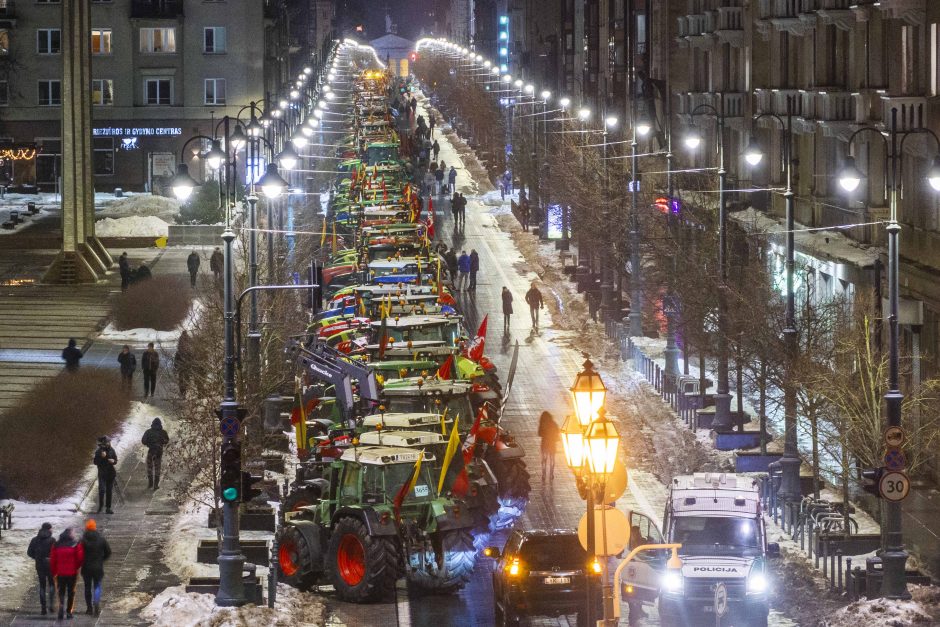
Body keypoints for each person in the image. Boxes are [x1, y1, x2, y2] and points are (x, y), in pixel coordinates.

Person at [49, 527, 83, 620]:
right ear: (71, 535)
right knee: (71, 592)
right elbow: (80, 558)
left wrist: (54, 571)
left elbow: (53, 560)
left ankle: (61, 605)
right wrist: (76, 567)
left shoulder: (56, 545)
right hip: (72, 573)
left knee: (61, 591)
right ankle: (68, 612)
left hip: (60, 573)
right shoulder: (75, 544)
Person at [80, 519, 110, 616]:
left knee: (87, 587)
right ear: (95, 527)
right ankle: (96, 601)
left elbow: (79, 554)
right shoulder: (101, 539)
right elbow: (108, 552)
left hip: (86, 567)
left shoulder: (83, 540)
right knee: (97, 585)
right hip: (97, 567)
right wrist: (102, 559)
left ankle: (89, 608)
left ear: (86, 528)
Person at [27, 522, 55, 615]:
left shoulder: (35, 540)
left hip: (39, 565)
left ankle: (43, 607)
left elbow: (29, 552)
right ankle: (51, 605)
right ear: (49, 529)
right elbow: (55, 553)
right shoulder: (52, 540)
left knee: (42, 586)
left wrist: (37, 557)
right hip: (50, 565)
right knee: (51, 584)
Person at [141, 417, 170, 490]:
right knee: (157, 468)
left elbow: (143, 441)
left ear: (152, 424)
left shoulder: (148, 431)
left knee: (149, 467)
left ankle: (150, 484)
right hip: (159, 451)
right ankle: (156, 485)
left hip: (151, 450)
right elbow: (166, 441)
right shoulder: (163, 432)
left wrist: (149, 444)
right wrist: (161, 442)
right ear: (160, 424)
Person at [94, 436, 117, 514]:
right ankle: (100, 506)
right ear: (104, 443)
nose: (109, 443)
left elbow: (115, 460)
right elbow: (95, 462)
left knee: (109, 490)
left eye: (109, 442)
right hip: (102, 473)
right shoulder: (99, 451)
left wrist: (113, 461)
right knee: (102, 490)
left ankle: (108, 508)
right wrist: (101, 457)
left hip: (111, 473)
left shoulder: (111, 450)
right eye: (107, 442)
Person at [537, 411, 560, 482]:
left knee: (544, 459)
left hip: (544, 443)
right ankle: (551, 473)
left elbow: (539, 433)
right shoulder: (554, 424)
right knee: (552, 459)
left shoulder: (542, 424)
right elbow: (557, 432)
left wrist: (545, 434)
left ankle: (544, 474)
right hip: (552, 444)